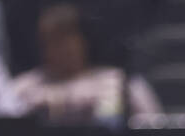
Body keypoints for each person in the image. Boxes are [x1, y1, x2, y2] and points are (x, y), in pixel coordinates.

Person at [11, 3, 161, 125]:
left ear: (84, 41)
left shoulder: (118, 82)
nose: (62, 48)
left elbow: (153, 127)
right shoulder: (24, 87)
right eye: (54, 41)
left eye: (68, 39)